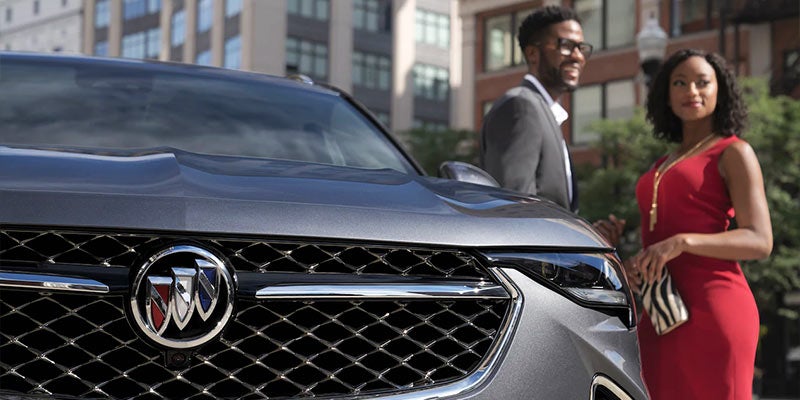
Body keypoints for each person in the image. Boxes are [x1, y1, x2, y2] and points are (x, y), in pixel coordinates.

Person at [626, 49, 773, 399]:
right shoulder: (663, 163)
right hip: (662, 312)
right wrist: (635, 263)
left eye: (702, 82)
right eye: (680, 83)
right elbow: (658, 236)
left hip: (716, 307)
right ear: (667, 94)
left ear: (720, 90)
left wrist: (683, 242)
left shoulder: (734, 152)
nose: (691, 91)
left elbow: (760, 240)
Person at [479, 5, 590, 213]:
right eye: (566, 46)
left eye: (581, 48)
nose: (578, 56)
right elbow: (512, 207)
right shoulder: (520, 107)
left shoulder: (545, 113)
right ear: (532, 53)